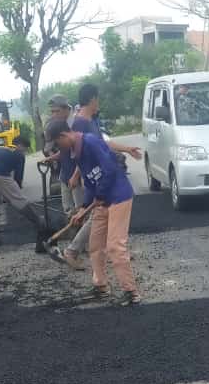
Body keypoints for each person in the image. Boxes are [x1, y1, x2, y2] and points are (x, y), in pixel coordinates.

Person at [46, 119, 140, 306]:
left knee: (115, 246)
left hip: (118, 196)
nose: (59, 149)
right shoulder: (76, 151)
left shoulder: (91, 142)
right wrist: (83, 208)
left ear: (64, 136)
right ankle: (101, 287)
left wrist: (100, 194)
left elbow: (110, 169)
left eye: (58, 144)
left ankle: (131, 293)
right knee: (95, 246)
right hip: (102, 200)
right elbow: (89, 181)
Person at [50, 83, 142, 271]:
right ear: (93, 99)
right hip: (93, 177)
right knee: (96, 213)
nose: (98, 102)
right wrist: (77, 174)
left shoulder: (90, 120)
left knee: (101, 213)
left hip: (97, 175)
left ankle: (113, 249)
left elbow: (103, 145)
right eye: (97, 99)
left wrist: (127, 149)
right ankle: (74, 250)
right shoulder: (81, 123)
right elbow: (81, 154)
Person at [0, 136, 51, 253]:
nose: (24, 150)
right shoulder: (19, 154)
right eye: (25, 148)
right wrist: (15, 193)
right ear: (20, 145)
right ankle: (38, 222)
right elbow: (18, 177)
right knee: (19, 200)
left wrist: (8, 194)